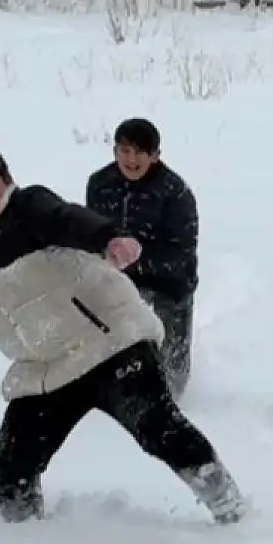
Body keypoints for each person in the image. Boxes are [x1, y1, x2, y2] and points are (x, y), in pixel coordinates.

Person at [0, 136, 247, 526]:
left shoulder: (29, 207)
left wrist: (108, 238)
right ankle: (28, 539)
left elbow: (67, 219)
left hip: (113, 345)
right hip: (50, 371)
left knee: (158, 427)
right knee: (11, 458)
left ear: (6, 180)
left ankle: (228, 505)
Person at [85, 118, 199, 402]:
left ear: (155, 156)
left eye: (139, 152)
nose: (130, 159)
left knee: (170, 361)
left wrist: (137, 255)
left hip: (170, 284)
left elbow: (182, 251)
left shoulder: (175, 193)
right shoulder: (100, 184)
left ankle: (171, 401)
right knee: (111, 341)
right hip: (117, 280)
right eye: (124, 150)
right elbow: (91, 230)